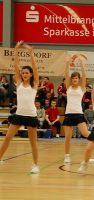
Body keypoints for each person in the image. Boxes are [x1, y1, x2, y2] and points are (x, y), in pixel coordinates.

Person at [0, 41, 40, 173]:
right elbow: (16, 65)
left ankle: (35, 165)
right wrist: (16, 50)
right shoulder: (19, 83)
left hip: (31, 116)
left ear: (31, 74)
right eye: (23, 73)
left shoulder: (35, 84)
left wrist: (31, 54)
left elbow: (35, 67)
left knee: (32, 142)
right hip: (19, 115)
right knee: (7, 137)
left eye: (27, 73)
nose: (24, 74)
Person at [62, 55, 90, 163]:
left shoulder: (82, 87)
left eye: (76, 78)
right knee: (68, 137)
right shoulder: (68, 87)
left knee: (85, 133)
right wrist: (67, 63)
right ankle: (67, 156)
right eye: (73, 78)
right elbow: (66, 74)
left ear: (79, 79)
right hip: (69, 114)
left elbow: (84, 75)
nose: (75, 79)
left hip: (78, 113)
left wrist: (82, 63)